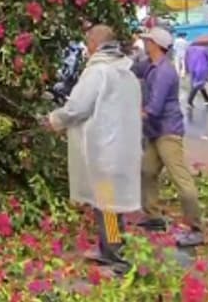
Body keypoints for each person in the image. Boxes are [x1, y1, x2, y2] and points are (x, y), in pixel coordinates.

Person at [43, 25, 142, 274]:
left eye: (88, 42)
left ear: (96, 44)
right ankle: (109, 247)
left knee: (107, 204)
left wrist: (55, 120)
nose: (86, 48)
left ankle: (115, 259)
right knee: (111, 203)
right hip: (122, 149)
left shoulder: (98, 72)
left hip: (104, 150)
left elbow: (77, 108)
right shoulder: (125, 71)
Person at [135, 28, 205, 247]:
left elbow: (154, 107)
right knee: (147, 171)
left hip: (167, 131)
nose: (145, 43)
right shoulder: (150, 65)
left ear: (156, 44)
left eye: (148, 40)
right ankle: (154, 216)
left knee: (181, 179)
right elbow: (132, 69)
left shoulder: (165, 71)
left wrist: (131, 114)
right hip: (155, 131)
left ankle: (197, 228)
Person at [185, 43, 208, 117]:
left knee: (198, 84)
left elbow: (186, 58)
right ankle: (189, 101)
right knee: (198, 84)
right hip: (202, 67)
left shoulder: (190, 47)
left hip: (192, 67)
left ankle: (207, 100)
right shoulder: (205, 47)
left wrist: (186, 68)